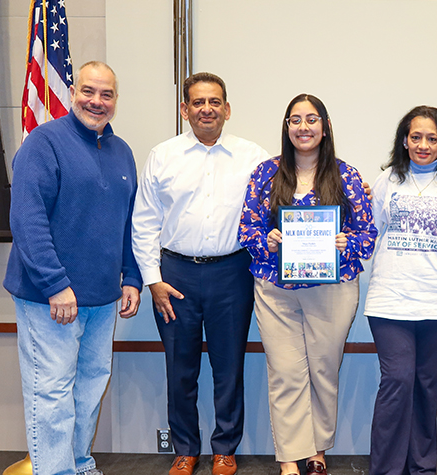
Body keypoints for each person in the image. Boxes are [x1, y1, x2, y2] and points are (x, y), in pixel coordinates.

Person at [3, 61, 142, 475]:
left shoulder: (122, 152)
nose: (96, 101)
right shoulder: (43, 143)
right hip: (50, 298)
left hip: (101, 298)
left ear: (116, 100)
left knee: (89, 388)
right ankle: (56, 471)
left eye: (106, 94)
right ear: (72, 92)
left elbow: (128, 222)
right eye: (88, 91)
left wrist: (131, 277)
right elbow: (27, 220)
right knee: (51, 392)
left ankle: (79, 466)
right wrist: (55, 284)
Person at [131, 72, 270, 475]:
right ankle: (186, 449)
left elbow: (288, 198)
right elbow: (144, 223)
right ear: (184, 109)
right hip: (175, 276)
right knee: (180, 367)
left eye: (214, 102)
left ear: (227, 109)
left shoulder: (253, 157)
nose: (206, 109)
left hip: (233, 273)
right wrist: (153, 280)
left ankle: (225, 448)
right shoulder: (163, 156)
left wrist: (352, 194)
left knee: (229, 367)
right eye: (197, 102)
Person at [237, 93, 376, 475]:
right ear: (286, 128)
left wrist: (348, 242)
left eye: (311, 120)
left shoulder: (346, 176)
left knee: (323, 370)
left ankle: (316, 451)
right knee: (285, 372)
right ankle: (288, 459)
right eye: (295, 120)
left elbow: (368, 234)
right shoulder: (265, 173)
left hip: (332, 290)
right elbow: (245, 228)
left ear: (325, 127)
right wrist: (265, 240)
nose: (303, 127)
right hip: (275, 289)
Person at [364, 106, 437, 475]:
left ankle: (422, 466)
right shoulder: (387, 182)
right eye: (416, 137)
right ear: (404, 140)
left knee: (426, 385)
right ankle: (385, 468)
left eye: (431, 138)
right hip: (389, 300)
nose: (423, 145)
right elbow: (370, 234)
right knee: (397, 380)